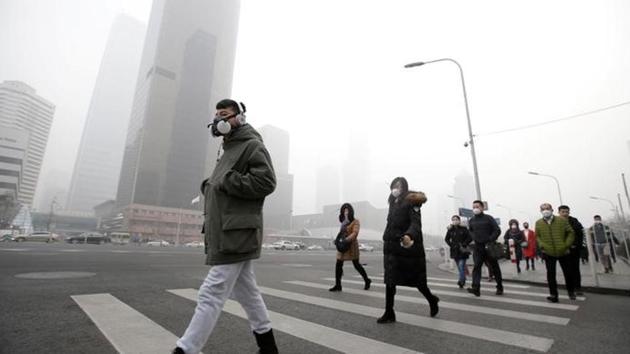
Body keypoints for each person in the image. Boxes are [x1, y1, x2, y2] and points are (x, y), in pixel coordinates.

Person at [173, 99, 278, 354]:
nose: (220, 120)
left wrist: (226, 180)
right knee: (248, 293)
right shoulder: (228, 148)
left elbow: (266, 182)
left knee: (211, 292)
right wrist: (210, 185)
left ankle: (186, 350)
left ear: (239, 118)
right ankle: (268, 347)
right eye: (217, 115)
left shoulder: (252, 145)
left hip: (237, 232)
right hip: (228, 229)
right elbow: (224, 184)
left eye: (225, 114)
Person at [378, 177, 439, 323]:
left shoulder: (412, 202)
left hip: (408, 248)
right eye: (394, 186)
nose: (396, 189)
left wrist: (409, 235)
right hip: (392, 247)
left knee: (418, 281)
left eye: (399, 186)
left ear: (404, 187)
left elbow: (416, 223)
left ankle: (432, 299)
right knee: (390, 280)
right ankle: (389, 312)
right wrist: (386, 236)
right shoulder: (393, 203)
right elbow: (391, 224)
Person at [535, 203, 576, 303]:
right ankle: (553, 295)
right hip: (548, 252)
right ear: (541, 211)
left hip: (563, 251)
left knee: (568, 273)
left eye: (547, 208)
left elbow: (571, 232)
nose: (545, 210)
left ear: (552, 210)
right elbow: (537, 236)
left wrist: (566, 245)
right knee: (550, 275)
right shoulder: (538, 223)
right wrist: (542, 246)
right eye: (543, 209)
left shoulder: (561, 220)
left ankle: (571, 292)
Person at [329, 203, 372, 292]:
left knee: (356, 265)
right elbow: (341, 234)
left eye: (347, 210)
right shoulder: (343, 222)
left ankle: (367, 280)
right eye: (344, 211)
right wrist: (337, 241)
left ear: (351, 211)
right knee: (338, 264)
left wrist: (346, 240)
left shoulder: (355, 221)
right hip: (342, 247)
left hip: (351, 247)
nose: (346, 212)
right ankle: (338, 285)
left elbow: (355, 233)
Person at [467, 200, 503, 297]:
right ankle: (476, 288)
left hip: (489, 247)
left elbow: (497, 230)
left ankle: (499, 286)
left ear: (482, 208)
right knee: (477, 267)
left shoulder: (489, 218)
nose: (475, 208)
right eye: (474, 207)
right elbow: (470, 231)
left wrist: (490, 239)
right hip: (478, 248)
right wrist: (470, 239)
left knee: (494, 267)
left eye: (477, 206)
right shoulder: (471, 220)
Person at [558, 205, 585, 294]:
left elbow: (580, 234)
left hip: (574, 249)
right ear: (559, 212)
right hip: (563, 250)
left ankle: (578, 287)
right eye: (563, 212)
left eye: (567, 211)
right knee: (567, 270)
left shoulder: (574, 221)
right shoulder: (555, 222)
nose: (565, 213)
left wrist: (576, 245)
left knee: (575, 269)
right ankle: (570, 288)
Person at [444, 215, 473, 288]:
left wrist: (464, 244)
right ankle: (463, 278)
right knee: (460, 267)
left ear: (459, 220)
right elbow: (446, 239)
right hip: (454, 250)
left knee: (461, 266)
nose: (455, 221)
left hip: (463, 250)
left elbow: (470, 237)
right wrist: (451, 245)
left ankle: (461, 281)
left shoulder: (464, 229)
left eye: (456, 219)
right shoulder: (450, 229)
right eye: (453, 219)